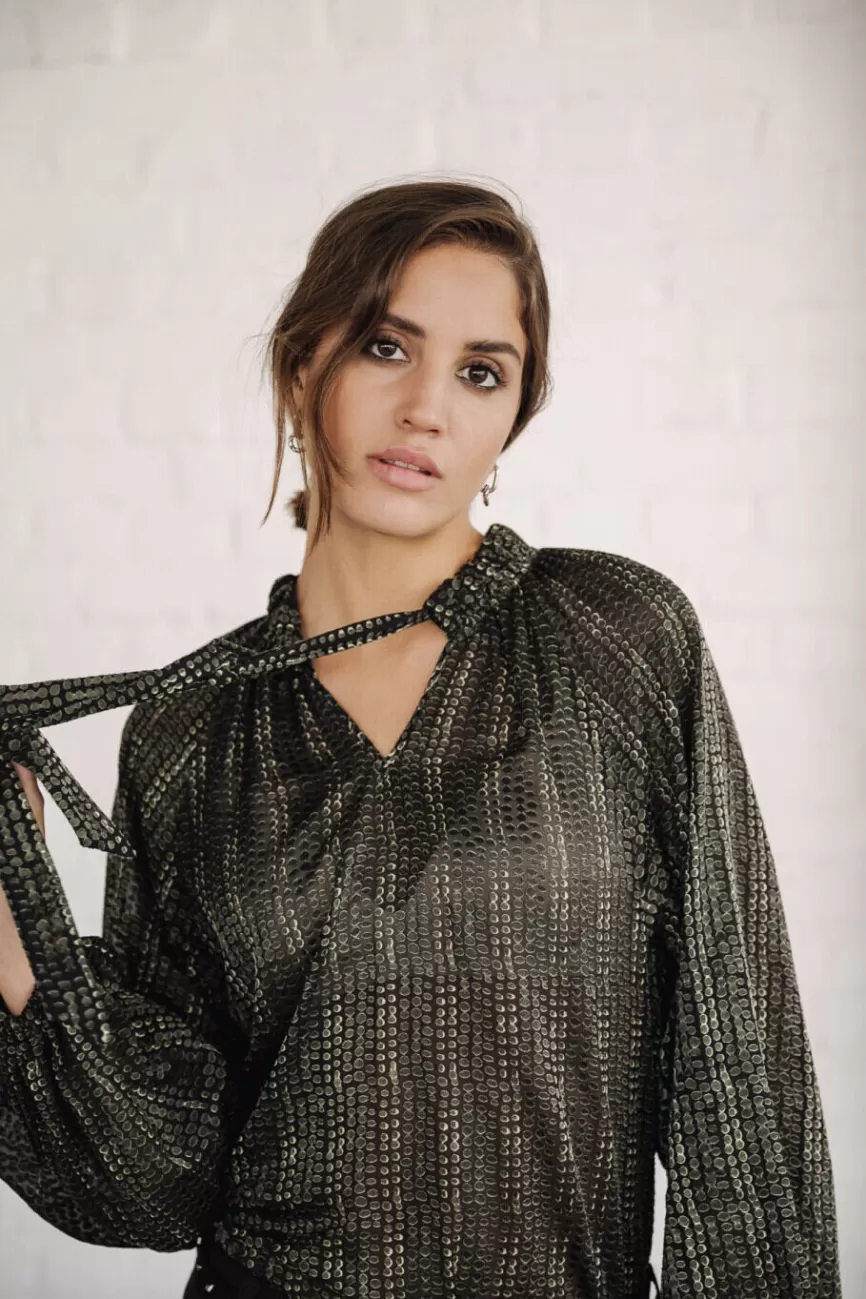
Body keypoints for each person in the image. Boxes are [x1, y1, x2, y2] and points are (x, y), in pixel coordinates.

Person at [0, 179, 841, 1299]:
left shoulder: (615, 641)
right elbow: (163, 1180)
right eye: (386, 347)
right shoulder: (191, 730)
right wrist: (14, 936)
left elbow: (740, 1076)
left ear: (512, 420)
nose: (427, 409)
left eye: (480, 371)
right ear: (302, 366)